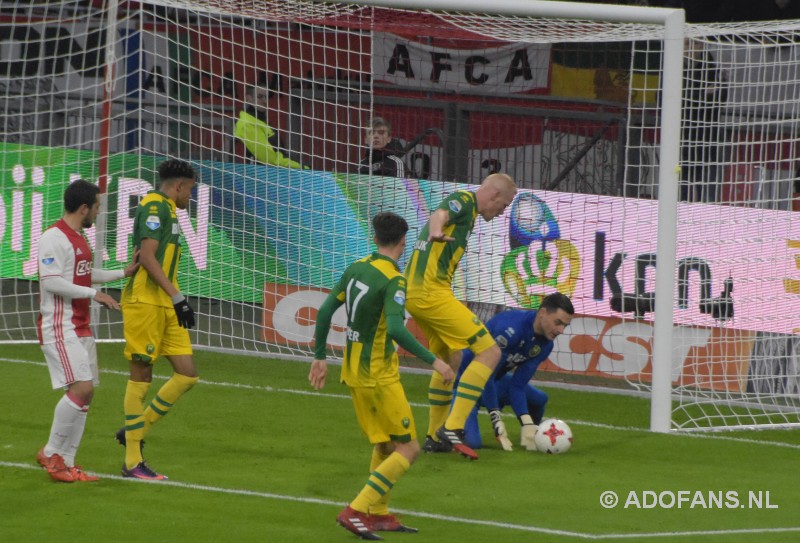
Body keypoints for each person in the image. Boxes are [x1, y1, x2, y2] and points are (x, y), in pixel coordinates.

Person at [309, 212, 454, 541]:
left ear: (375, 239)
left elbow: (325, 310)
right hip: (378, 376)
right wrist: (436, 362)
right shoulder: (393, 279)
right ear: (403, 242)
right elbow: (399, 330)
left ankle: (378, 514)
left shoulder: (358, 266)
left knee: (385, 444)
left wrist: (319, 357)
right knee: (409, 449)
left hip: (354, 371)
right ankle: (356, 510)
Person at [405, 173, 517, 460]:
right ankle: (453, 427)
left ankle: (434, 436)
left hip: (417, 293)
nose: (502, 211)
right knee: (489, 352)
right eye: (503, 205)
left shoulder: (470, 212)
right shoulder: (464, 200)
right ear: (492, 195)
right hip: (431, 293)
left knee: (451, 358)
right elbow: (440, 213)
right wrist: (436, 229)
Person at [36, 179, 138, 482]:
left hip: (80, 327)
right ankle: (51, 453)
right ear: (84, 208)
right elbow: (51, 281)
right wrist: (96, 295)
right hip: (60, 324)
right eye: (96, 206)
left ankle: (67, 462)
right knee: (81, 389)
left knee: (86, 395)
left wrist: (123, 272)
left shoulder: (79, 238)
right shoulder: (53, 237)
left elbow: (83, 274)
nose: (97, 211)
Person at [116, 159, 200, 480]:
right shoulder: (154, 208)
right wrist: (178, 298)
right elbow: (148, 258)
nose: (190, 196)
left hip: (165, 303)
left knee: (187, 375)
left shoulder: (169, 209)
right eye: (190, 190)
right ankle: (133, 461)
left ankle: (135, 430)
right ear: (178, 186)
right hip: (146, 303)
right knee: (141, 378)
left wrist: (175, 299)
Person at [450, 294, 574, 452]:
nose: (561, 331)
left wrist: (526, 422)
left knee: (539, 399)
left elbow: (518, 386)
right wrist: (495, 417)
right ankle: (449, 417)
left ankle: (533, 435)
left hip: (495, 379)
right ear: (542, 313)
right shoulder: (510, 330)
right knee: (472, 443)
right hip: (468, 383)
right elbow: (485, 376)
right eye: (558, 323)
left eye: (565, 325)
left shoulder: (546, 345)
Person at [234, 84, 304, 168]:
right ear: (249, 99)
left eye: (266, 97)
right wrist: (300, 167)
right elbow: (270, 159)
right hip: (260, 176)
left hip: (268, 174)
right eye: (260, 97)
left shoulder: (259, 122)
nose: (264, 101)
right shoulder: (247, 124)